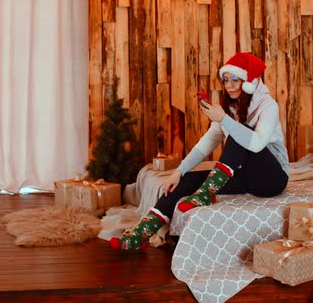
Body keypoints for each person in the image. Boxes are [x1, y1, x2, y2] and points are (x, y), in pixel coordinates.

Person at [109, 52, 289, 250]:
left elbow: (256, 144)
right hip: (248, 178)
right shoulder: (230, 108)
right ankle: (143, 231)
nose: (228, 85)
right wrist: (179, 172)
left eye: (235, 80)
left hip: (273, 179)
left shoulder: (268, 105)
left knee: (242, 131)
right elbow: (206, 144)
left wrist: (224, 120)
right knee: (188, 180)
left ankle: (205, 194)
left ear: (249, 82)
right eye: (225, 80)